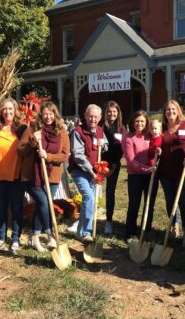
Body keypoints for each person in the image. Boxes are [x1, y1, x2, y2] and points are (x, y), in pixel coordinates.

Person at [18, 101, 70, 251]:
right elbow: (20, 151)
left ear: (55, 115)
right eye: (45, 113)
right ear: (41, 115)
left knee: (43, 204)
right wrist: (33, 141)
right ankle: (49, 234)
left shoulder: (62, 132)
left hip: (52, 176)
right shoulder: (33, 129)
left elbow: (64, 156)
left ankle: (33, 237)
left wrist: (48, 157)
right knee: (44, 202)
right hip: (31, 176)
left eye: (51, 113)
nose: (48, 117)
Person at [157, 100, 185, 247]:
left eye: (173, 109)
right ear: (164, 112)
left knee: (184, 203)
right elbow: (154, 142)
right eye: (167, 110)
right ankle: (174, 227)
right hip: (165, 173)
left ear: (178, 111)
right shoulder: (161, 128)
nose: (170, 112)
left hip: (184, 173)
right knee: (170, 202)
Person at [0, 98, 26, 253]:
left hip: (16, 175)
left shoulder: (22, 129)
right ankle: (2, 237)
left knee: (17, 208)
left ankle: (16, 238)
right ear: (0, 111)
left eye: (10, 109)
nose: (7, 112)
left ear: (15, 110)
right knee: (1, 208)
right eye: (4, 109)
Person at [68, 104, 108, 242]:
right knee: (89, 197)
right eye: (90, 116)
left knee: (89, 200)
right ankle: (86, 232)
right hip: (80, 171)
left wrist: (104, 145)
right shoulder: (78, 132)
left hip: (94, 171)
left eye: (96, 116)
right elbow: (78, 155)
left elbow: (105, 147)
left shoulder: (100, 131)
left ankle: (80, 232)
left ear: (100, 117)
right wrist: (92, 173)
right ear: (85, 116)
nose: (93, 119)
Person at [122, 110, 159, 242]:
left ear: (146, 122)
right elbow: (131, 161)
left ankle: (146, 229)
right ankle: (130, 233)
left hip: (151, 175)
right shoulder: (128, 137)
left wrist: (158, 149)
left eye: (142, 121)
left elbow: (158, 143)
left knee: (149, 204)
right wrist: (148, 169)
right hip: (136, 176)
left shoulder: (149, 135)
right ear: (132, 122)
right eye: (137, 121)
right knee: (134, 204)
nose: (139, 124)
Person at [101, 101, 125, 236]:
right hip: (99, 163)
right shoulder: (100, 127)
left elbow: (121, 150)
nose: (112, 114)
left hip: (113, 165)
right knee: (94, 192)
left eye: (114, 111)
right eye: (109, 111)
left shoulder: (121, 129)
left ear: (118, 113)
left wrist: (113, 166)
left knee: (110, 192)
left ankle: (109, 221)